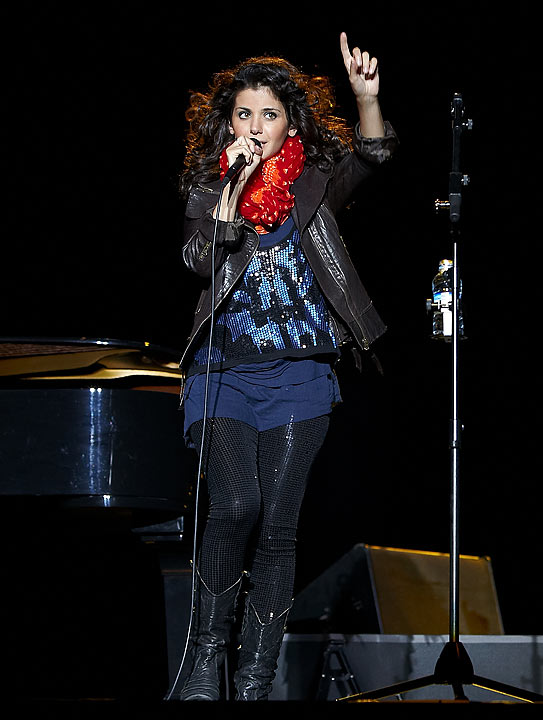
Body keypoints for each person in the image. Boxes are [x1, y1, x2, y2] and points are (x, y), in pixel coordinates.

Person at [175, 33, 397, 700]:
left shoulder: (317, 183)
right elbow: (197, 258)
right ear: (229, 121)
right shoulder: (209, 181)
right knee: (233, 503)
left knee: (277, 522)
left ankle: (254, 677)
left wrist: (366, 98)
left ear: (290, 122)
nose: (256, 126)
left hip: (300, 374)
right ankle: (202, 663)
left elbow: (376, 154)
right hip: (224, 373)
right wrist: (230, 190)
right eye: (245, 114)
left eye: (269, 114)